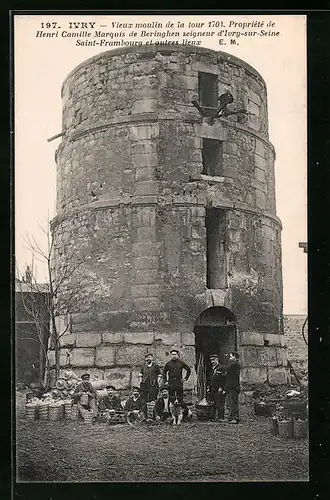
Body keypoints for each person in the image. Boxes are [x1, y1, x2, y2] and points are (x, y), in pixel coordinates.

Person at [207, 354, 227, 422]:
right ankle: (213, 417)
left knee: (220, 403)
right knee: (214, 403)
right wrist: (209, 387)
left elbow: (224, 379)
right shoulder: (212, 369)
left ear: (217, 360)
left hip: (219, 388)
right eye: (211, 360)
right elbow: (211, 379)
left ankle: (221, 417)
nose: (212, 361)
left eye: (214, 360)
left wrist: (222, 388)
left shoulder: (221, 368)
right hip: (213, 388)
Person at [225, 351, 241, 424]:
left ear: (235, 357)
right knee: (231, 403)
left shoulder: (235, 364)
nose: (229, 358)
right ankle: (231, 417)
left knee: (233, 403)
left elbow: (227, 368)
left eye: (231, 356)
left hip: (233, 387)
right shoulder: (233, 364)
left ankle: (235, 418)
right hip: (231, 386)